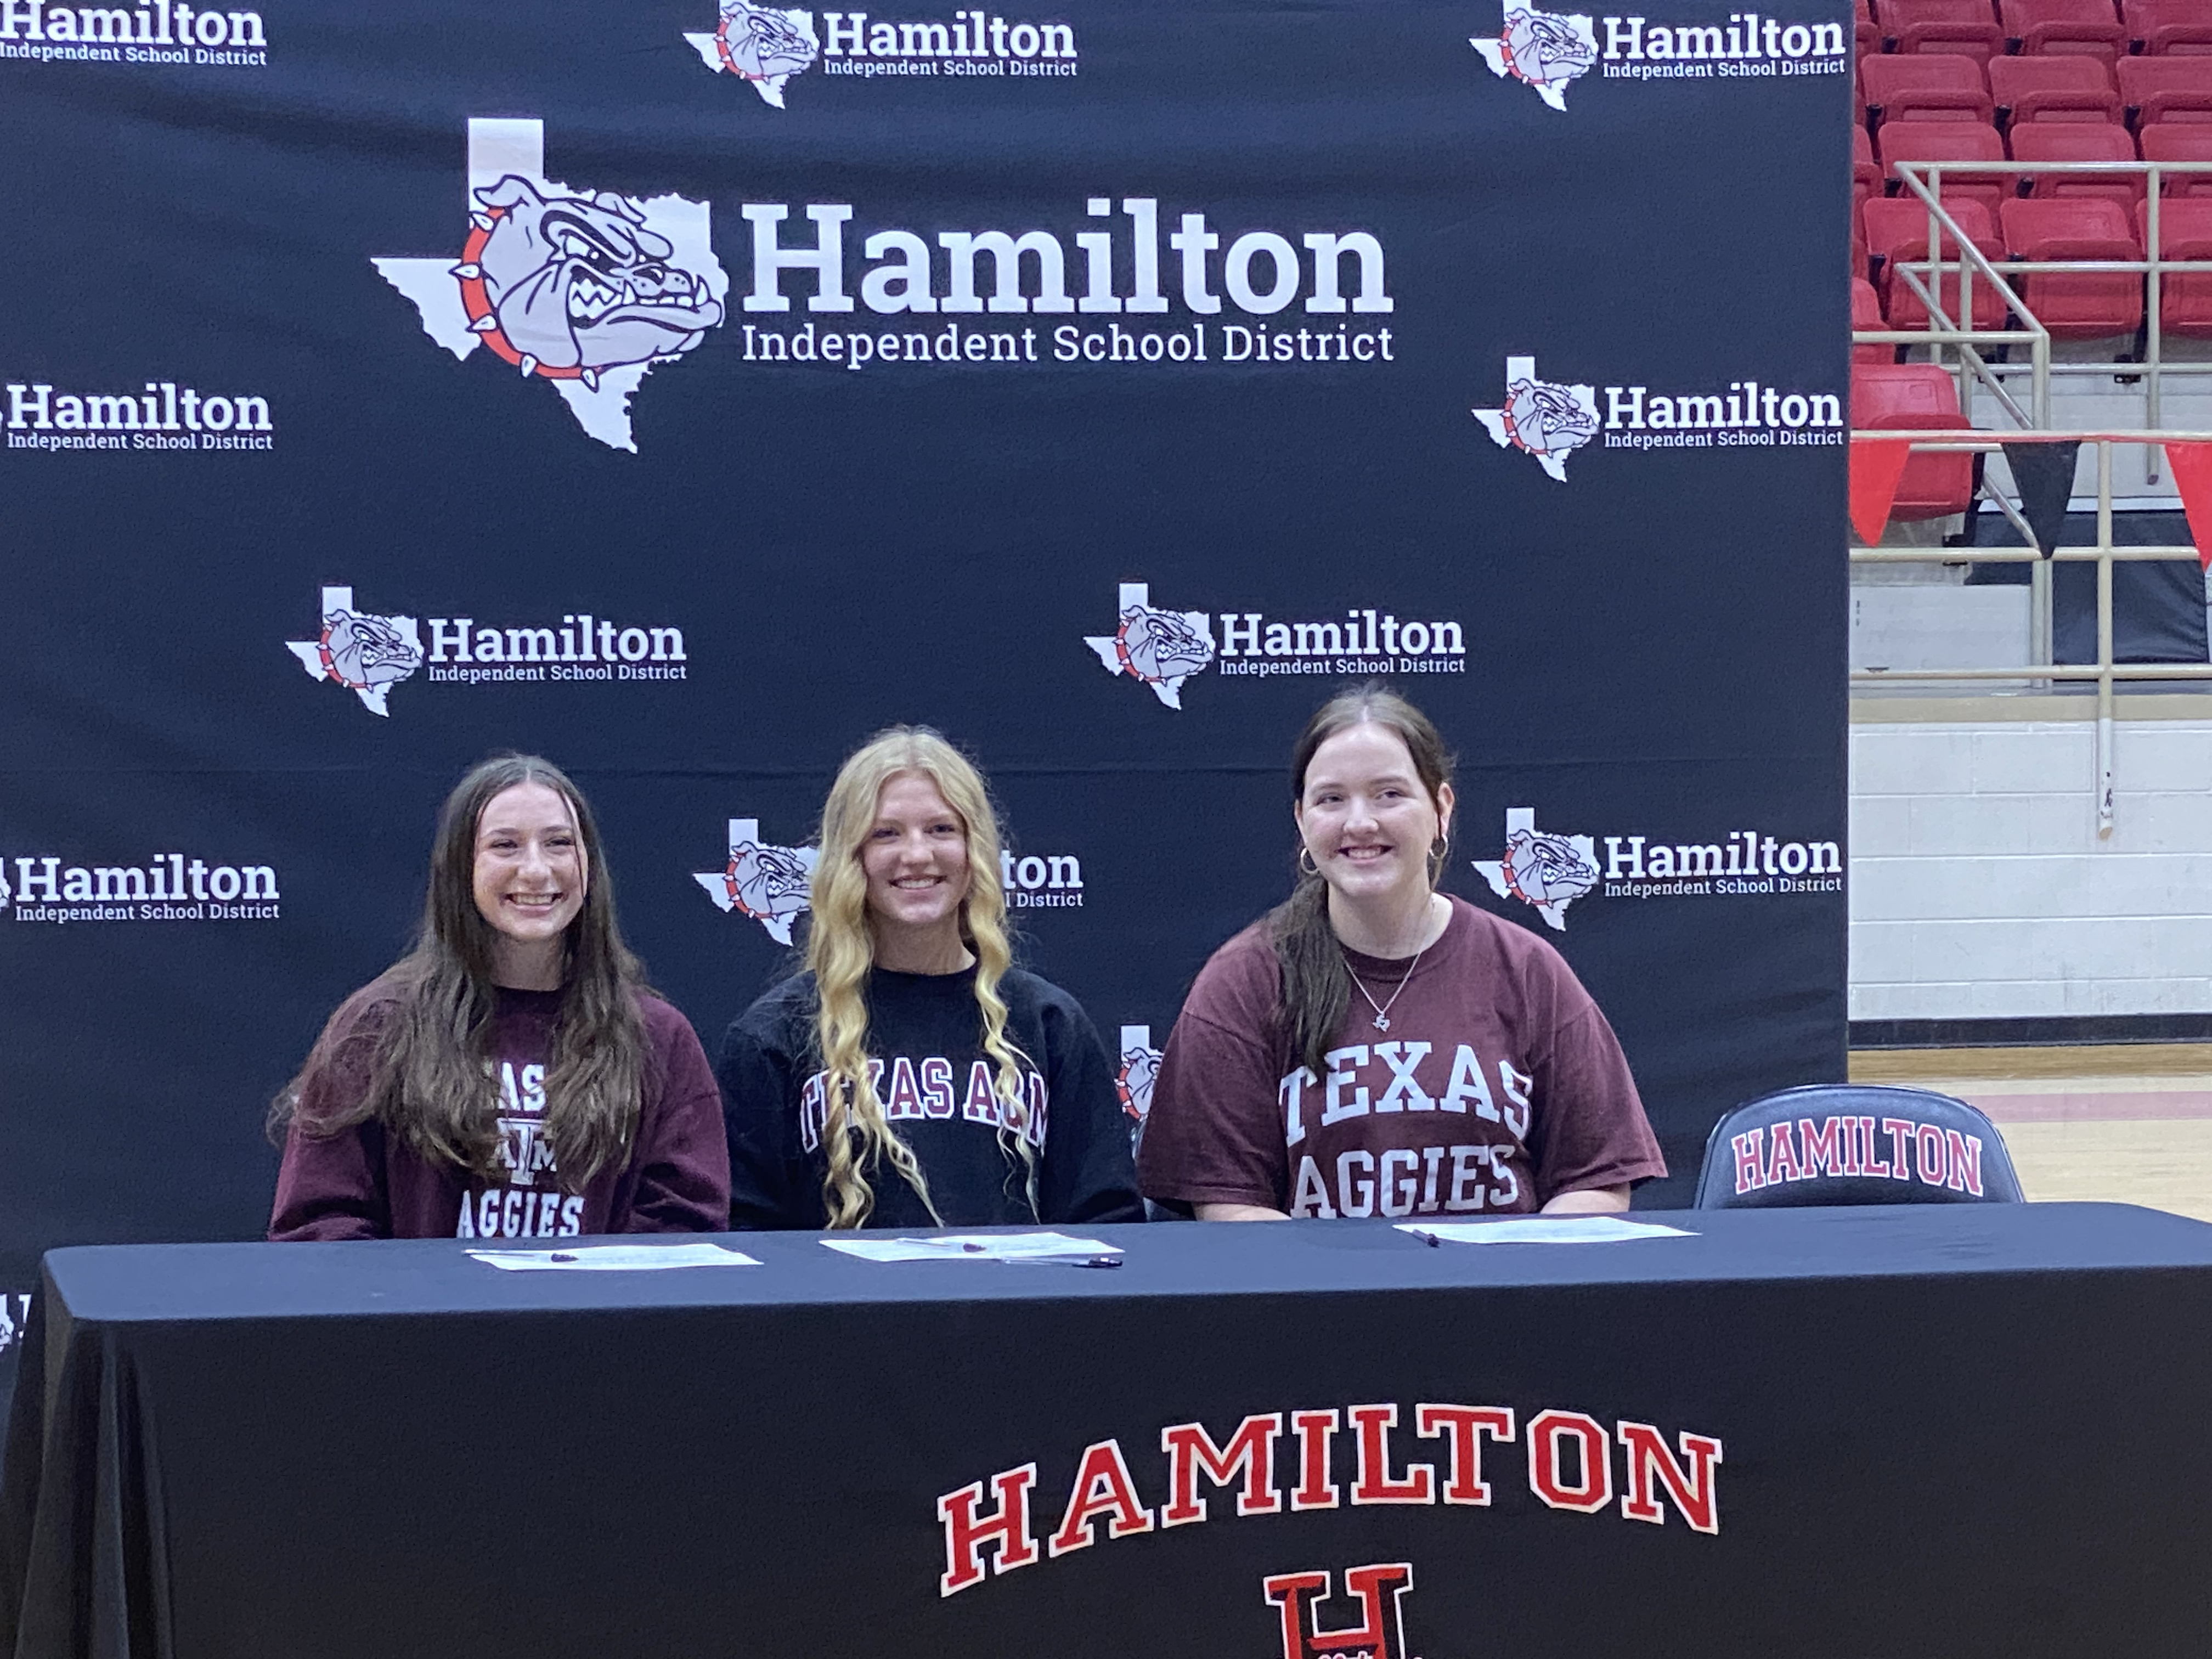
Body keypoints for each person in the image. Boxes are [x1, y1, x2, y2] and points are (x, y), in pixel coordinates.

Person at [1137, 687, 1664, 1221]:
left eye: (1389, 794)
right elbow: (1228, 1209)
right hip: (1316, 1300)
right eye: (1331, 799)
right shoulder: (1242, 983)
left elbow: (1597, 1184)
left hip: (1499, 1298)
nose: (1360, 823)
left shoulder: (1527, 971)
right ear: (1301, 820)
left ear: (1441, 808)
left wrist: (1516, 1287)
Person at [268, 755, 729, 1240]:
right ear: (460, 869)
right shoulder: (376, 1028)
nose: (535, 870)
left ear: (589, 866)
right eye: (505, 846)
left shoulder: (658, 1038)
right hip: (425, 1316)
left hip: (595, 1316)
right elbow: (318, 1227)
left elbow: (685, 1232)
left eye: (558, 844)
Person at [716, 727, 1142, 1229]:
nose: (917, 855)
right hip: (844, 1310)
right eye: (886, 833)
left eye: (942, 829)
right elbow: (746, 1244)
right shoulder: (775, 1037)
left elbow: (1106, 1224)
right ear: (849, 859)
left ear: (974, 850)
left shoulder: (1049, 1026)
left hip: (1013, 1308)